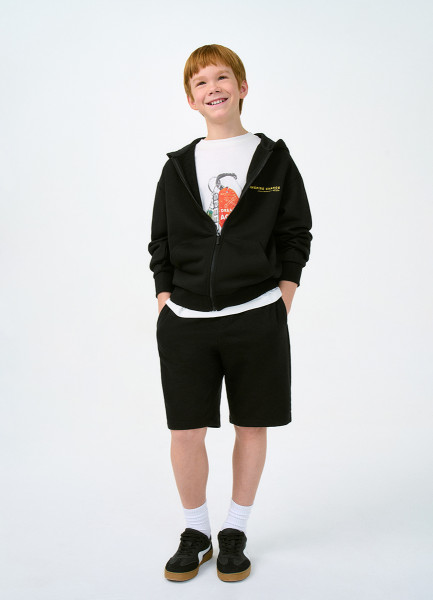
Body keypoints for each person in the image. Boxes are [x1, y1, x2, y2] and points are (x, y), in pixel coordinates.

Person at [148, 43, 312, 582]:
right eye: (200, 82)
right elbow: (161, 241)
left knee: (251, 425)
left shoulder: (274, 159)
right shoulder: (177, 166)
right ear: (190, 99)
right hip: (186, 321)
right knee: (185, 432)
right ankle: (196, 532)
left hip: (257, 316)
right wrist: (164, 299)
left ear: (242, 87)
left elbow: (295, 232)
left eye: (222, 78)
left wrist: (283, 297)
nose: (212, 88)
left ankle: (234, 530)